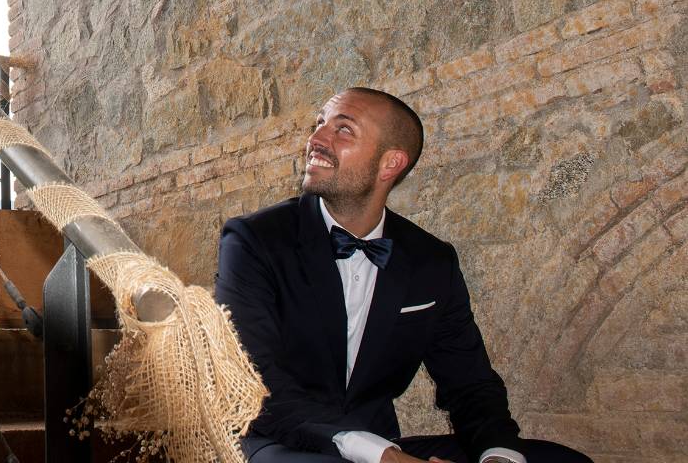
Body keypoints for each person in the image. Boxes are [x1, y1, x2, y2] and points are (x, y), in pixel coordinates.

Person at [214, 87, 592, 463]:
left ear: (390, 164)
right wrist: (384, 456)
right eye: (319, 124)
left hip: (383, 445)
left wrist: (497, 456)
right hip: (276, 443)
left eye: (343, 130)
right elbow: (255, 384)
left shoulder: (431, 261)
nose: (315, 139)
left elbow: (470, 384)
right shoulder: (254, 240)